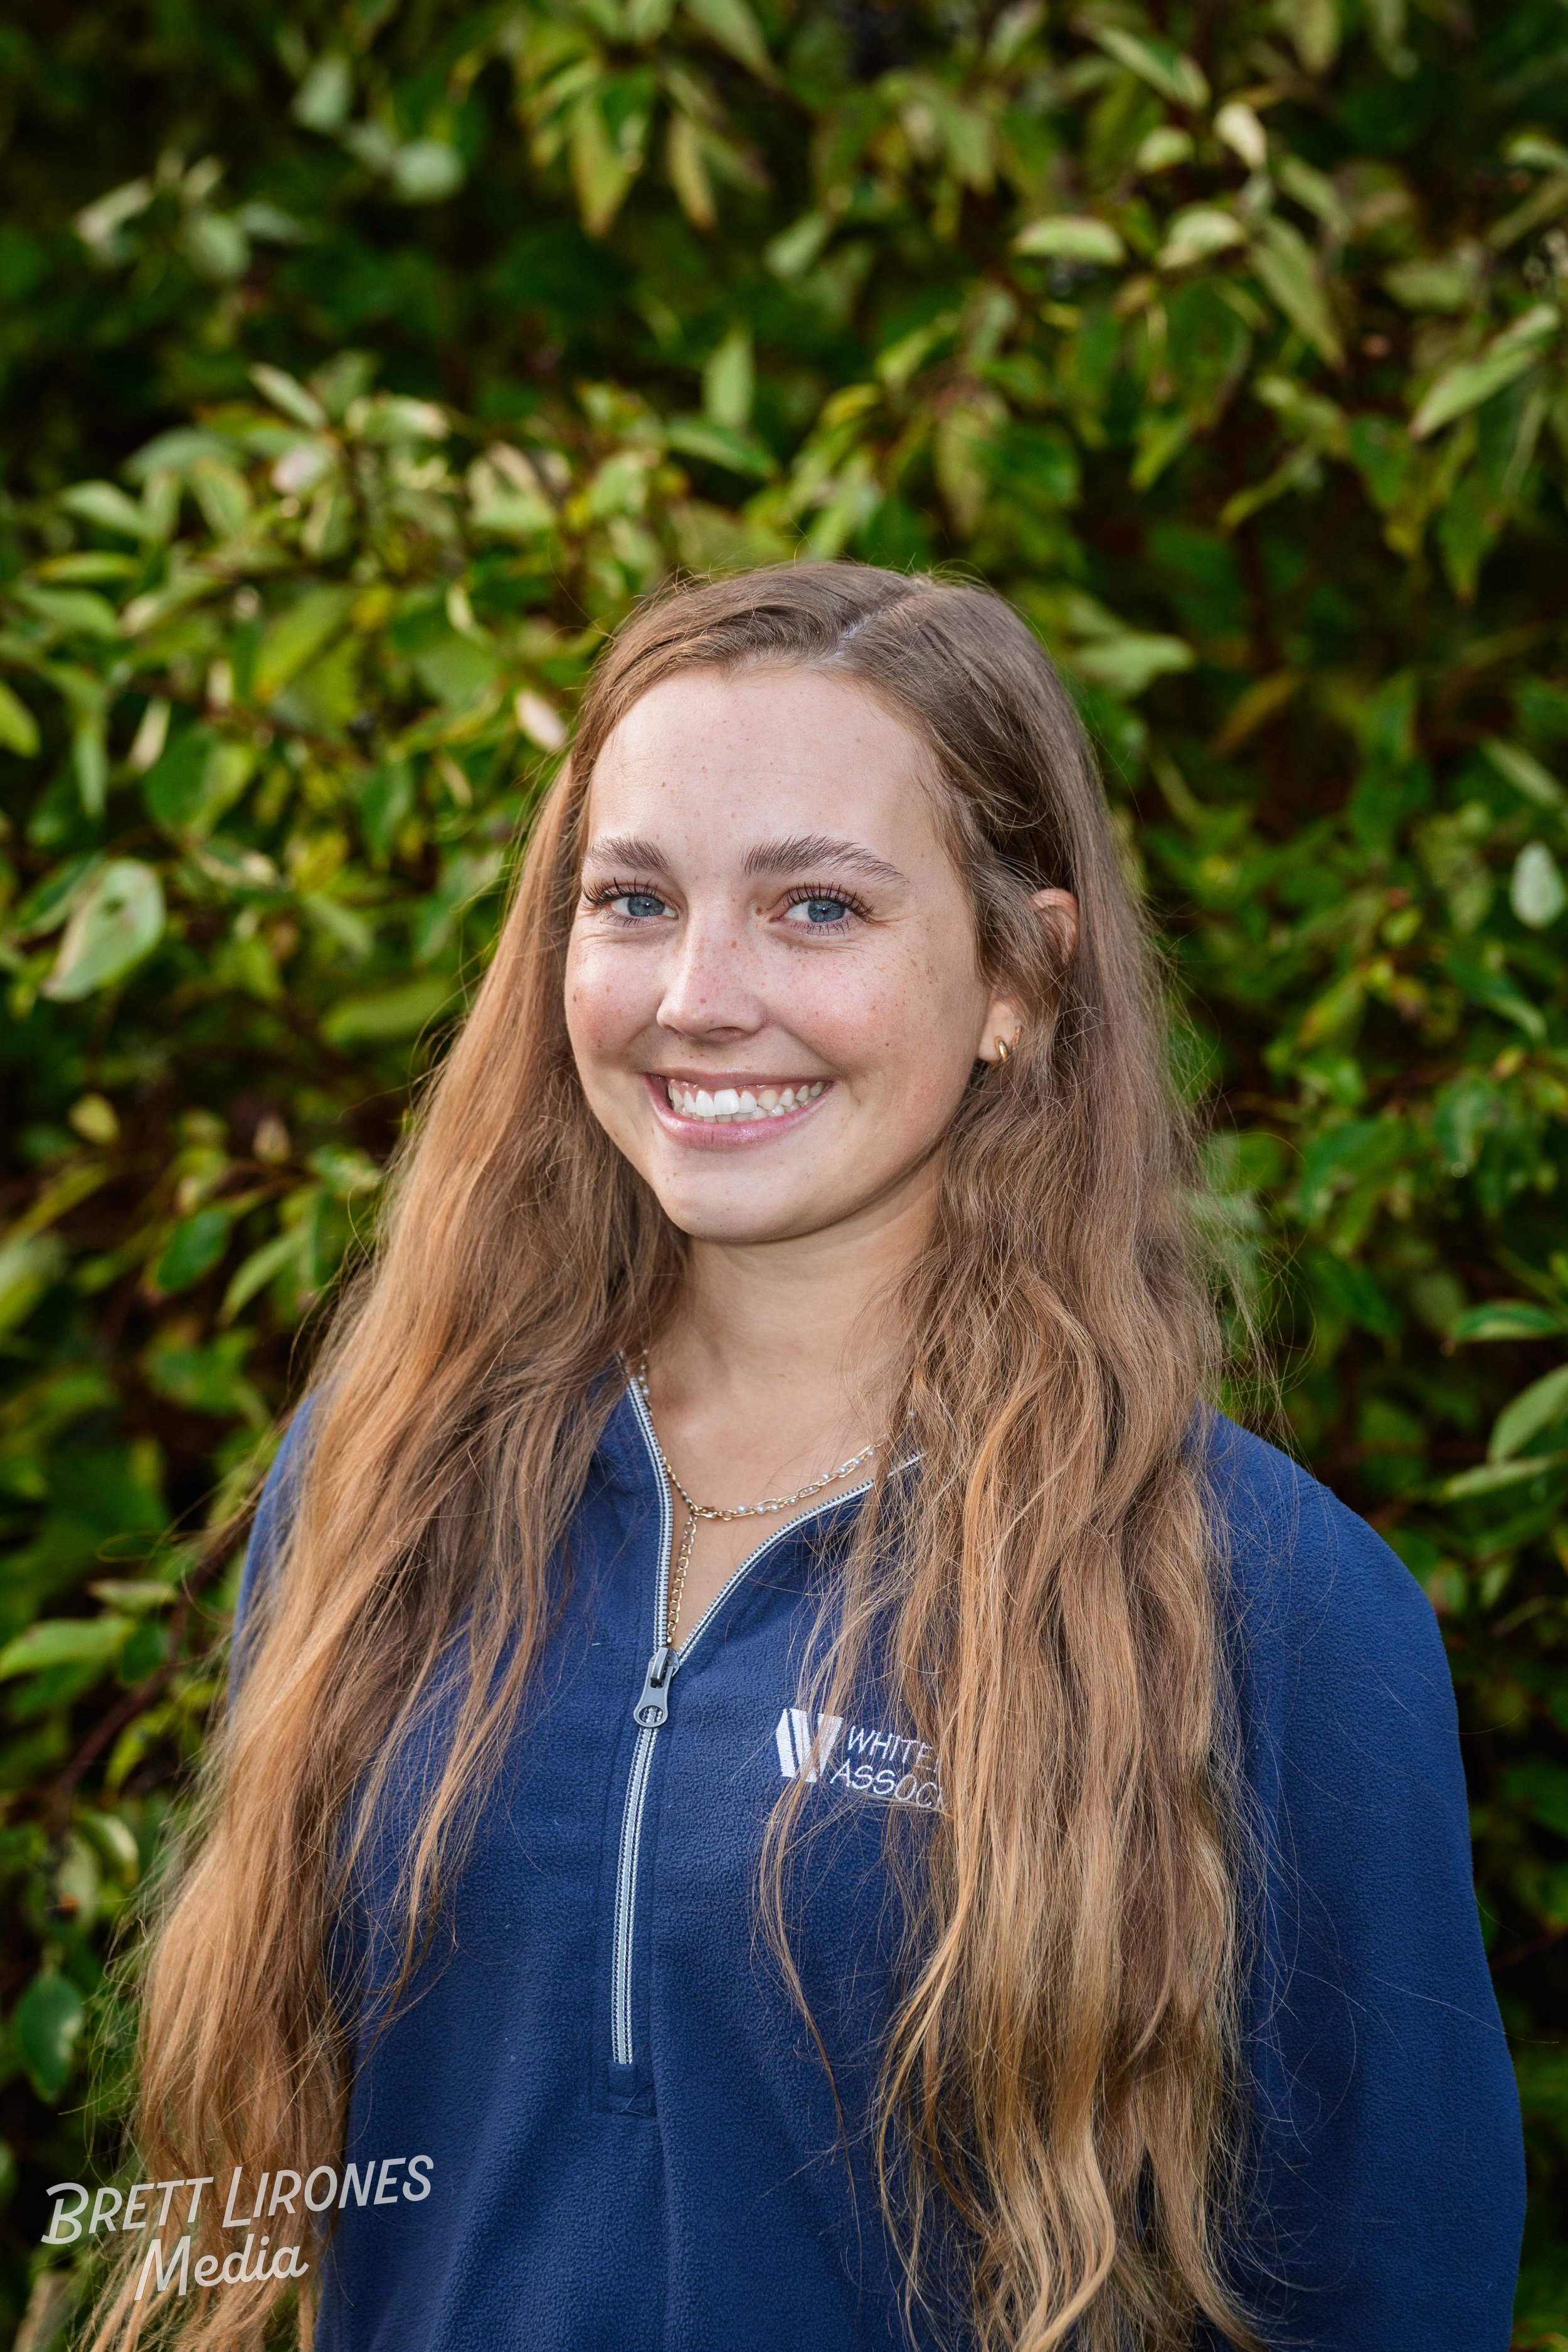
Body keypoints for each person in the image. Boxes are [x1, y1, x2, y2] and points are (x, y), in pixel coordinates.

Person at [100, 564, 1523, 2352]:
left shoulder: (1266, 1599)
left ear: (1022, 973)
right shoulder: (383, 1487)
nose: (697, 995)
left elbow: (1385, 2294)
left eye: (817, 909)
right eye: (633, 900)